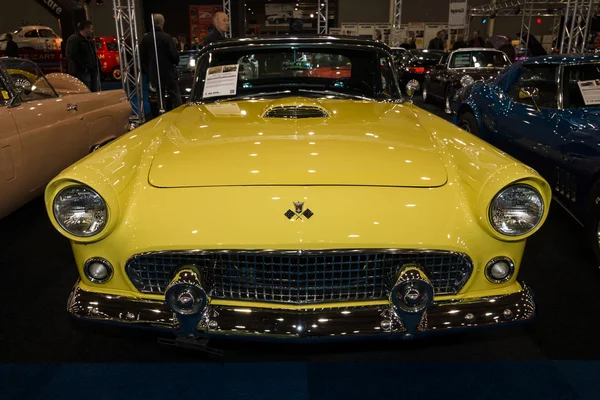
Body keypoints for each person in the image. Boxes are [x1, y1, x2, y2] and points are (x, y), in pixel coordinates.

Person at [141, 13, 181, 116]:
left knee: (159, 96)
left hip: (154, 72)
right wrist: (175, 62)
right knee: (175, 95)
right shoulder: (166, 37)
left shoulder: (146, 38)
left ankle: (161, 115)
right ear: (162, 23)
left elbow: (142, 57)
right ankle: (179, 114)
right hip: (168, 72)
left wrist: (149, 68)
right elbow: (174, 55)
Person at [66, 20, 100, 92]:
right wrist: (84, 68)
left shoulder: (89, 40)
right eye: (90, 29)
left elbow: (93, 54)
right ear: (85, 28)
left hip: (92, 70)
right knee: (85, 90)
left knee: (94, 90)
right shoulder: (75, 39)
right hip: (82, 72)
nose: (92, 31)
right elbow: (73, 55)